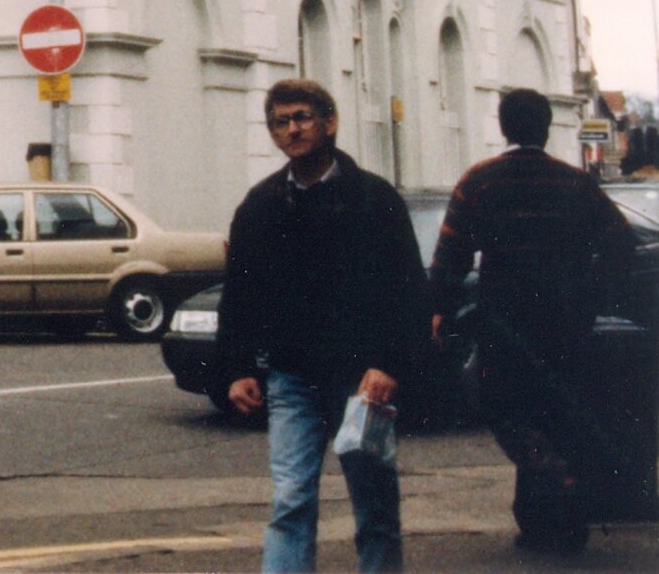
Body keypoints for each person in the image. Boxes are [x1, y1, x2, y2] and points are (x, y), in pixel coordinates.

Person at [215, 77, 429, 574]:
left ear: (329, 122)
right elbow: (241, 293)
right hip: (292, 378)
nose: (292, 130)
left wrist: (389, 363)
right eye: (280, 122)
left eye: (302, 118)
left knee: (374, 506)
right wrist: (237, 367)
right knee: (290, 501)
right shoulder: (261, 205)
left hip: (362, 382)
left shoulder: (374, 199)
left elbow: (408, 290)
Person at [429, 87, 639, 554]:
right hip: (566, 321)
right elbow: (621, 243)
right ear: (546, 128)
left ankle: (553, 487)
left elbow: (451, 255)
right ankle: (555, 519)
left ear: (504, 127)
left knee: (507, 409)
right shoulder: (575, 183)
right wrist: (592, 293)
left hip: (503, 321)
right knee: (556, 412)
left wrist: (439, 308)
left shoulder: (480, 182)